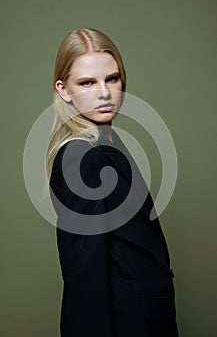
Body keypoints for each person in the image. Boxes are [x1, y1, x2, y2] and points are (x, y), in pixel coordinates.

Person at [46, 28, 179, 337]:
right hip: (127, 324)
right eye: (87, 83)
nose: (104, 93)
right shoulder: (81, 156)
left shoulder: (108, 142)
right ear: (64, 90)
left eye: (112, 78)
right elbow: (84, 276)